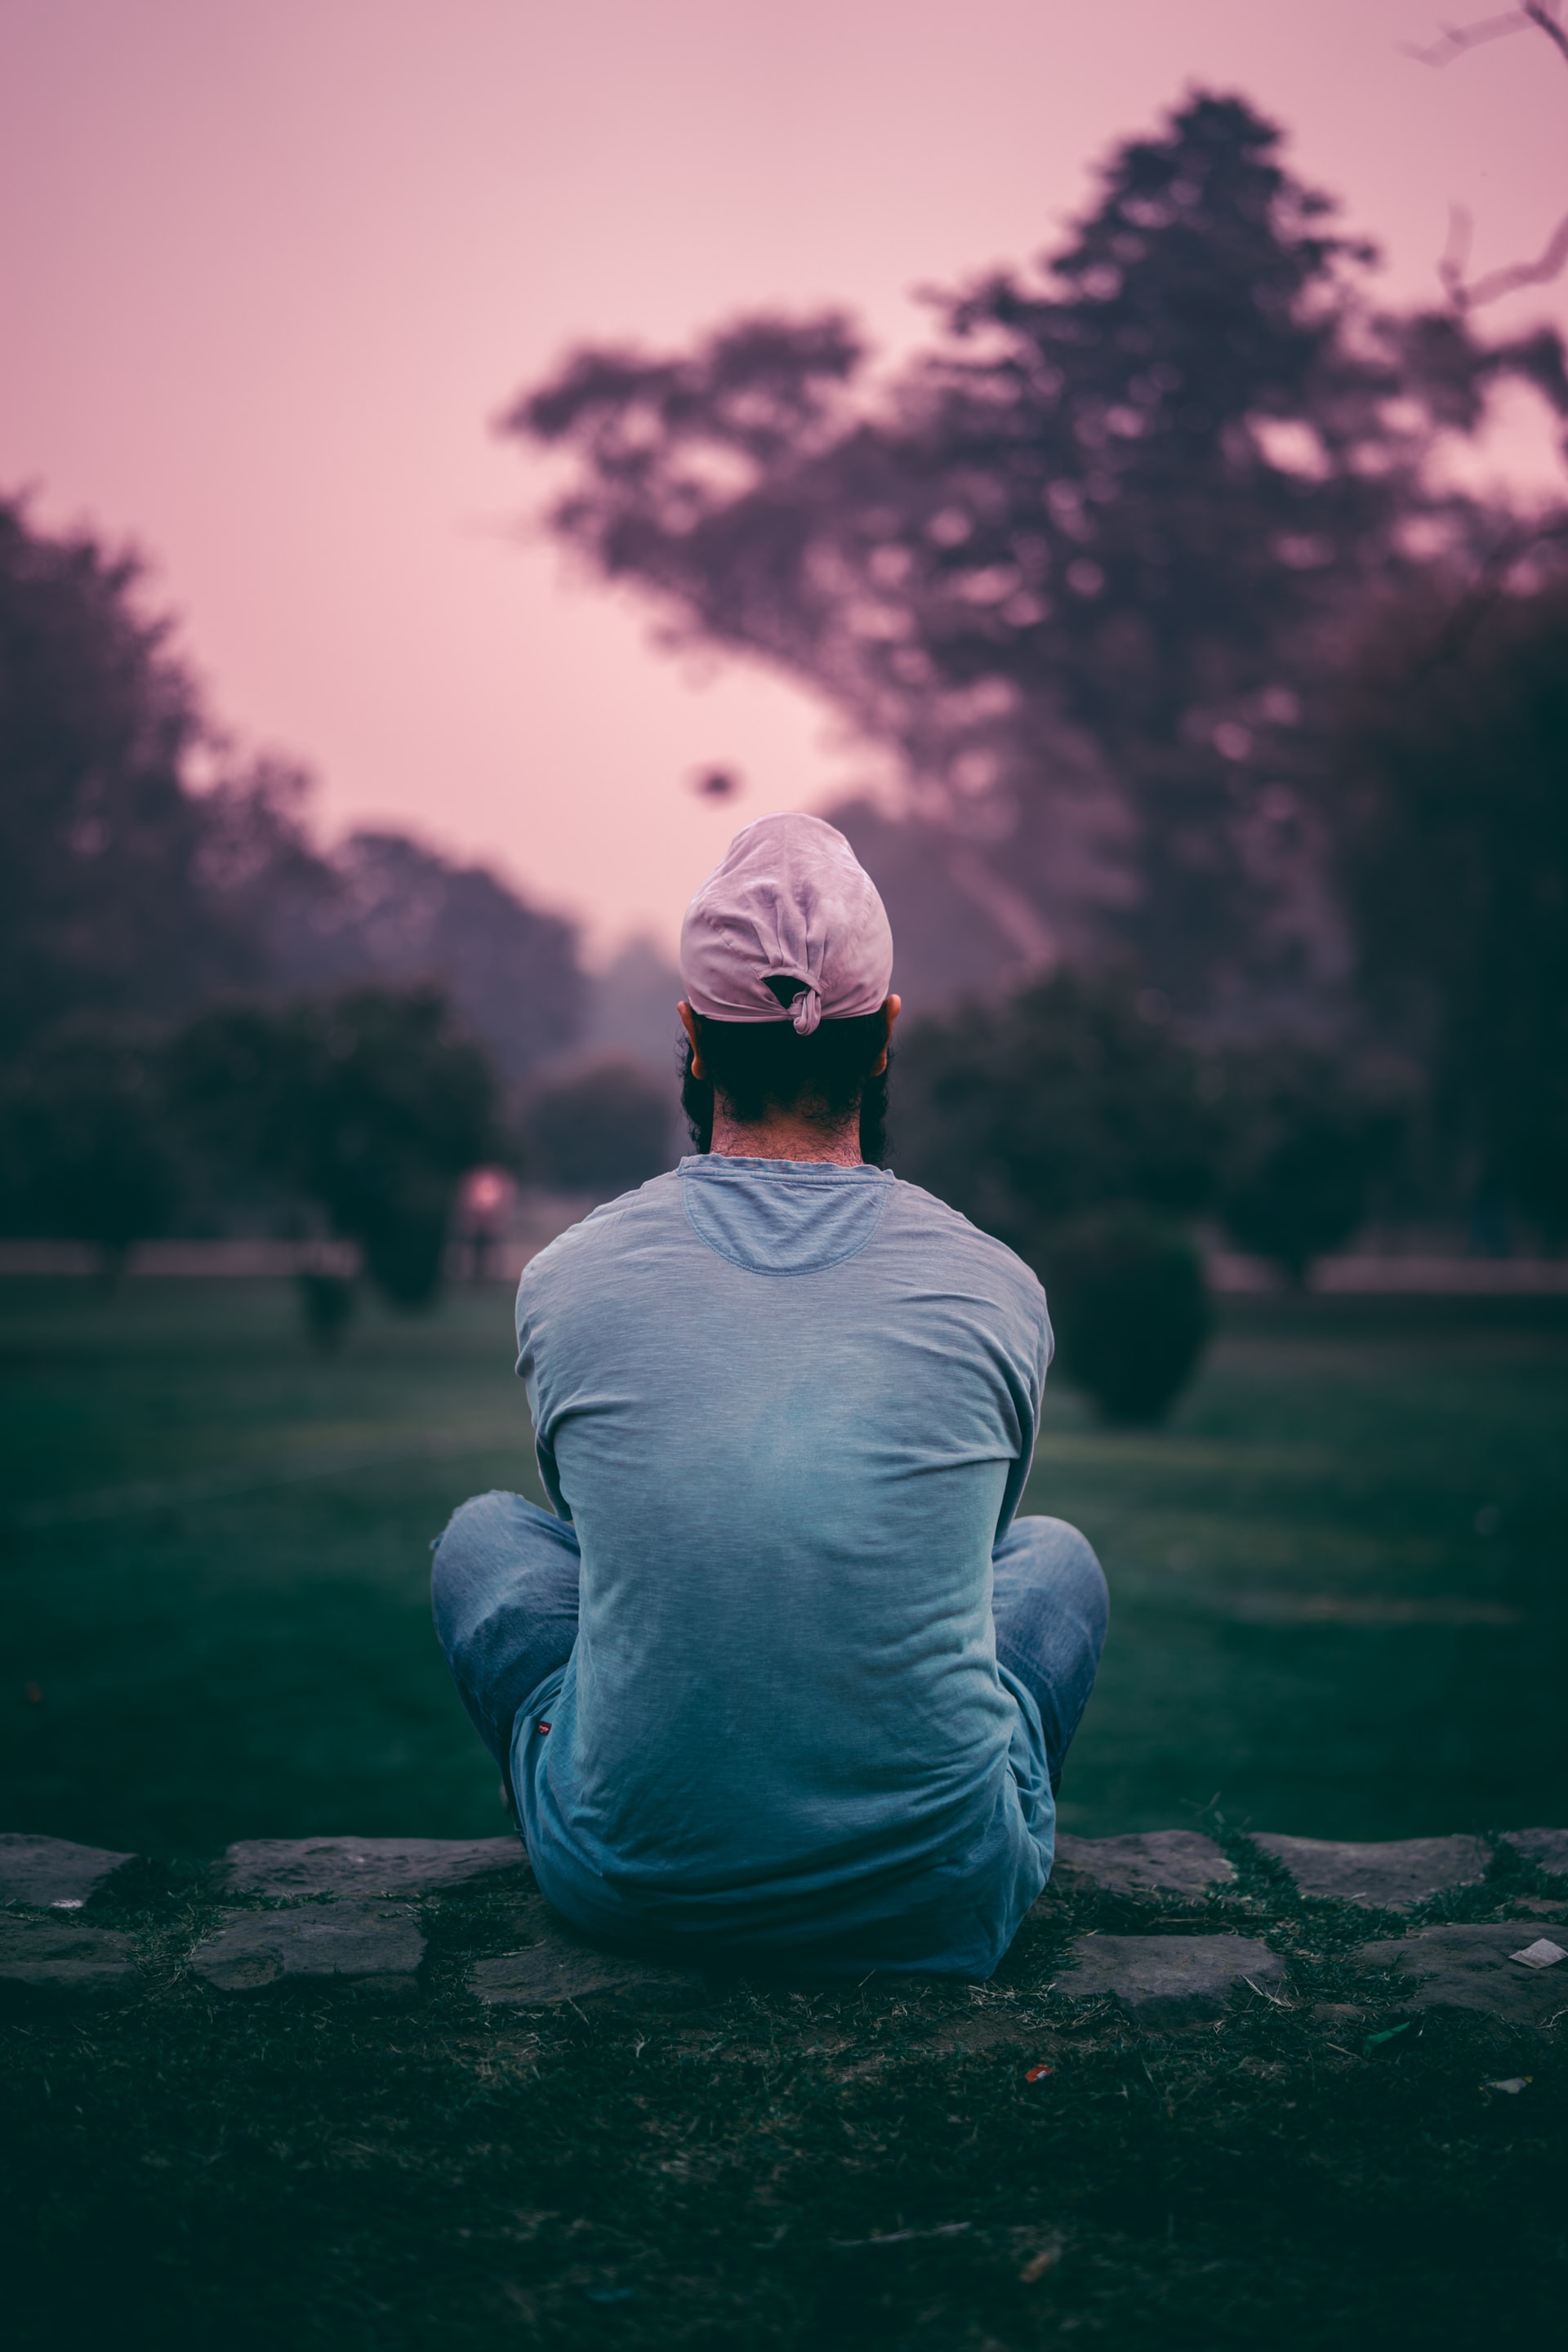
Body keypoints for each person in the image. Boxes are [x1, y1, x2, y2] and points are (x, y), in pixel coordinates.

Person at [432, 813, 1107, 1979]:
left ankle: (638, 1795)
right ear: (886, 1035)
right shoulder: (1000, 1288)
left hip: (634, 1884)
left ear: (691, 1036)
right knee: (1053, 1562)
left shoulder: (566, 1282)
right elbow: (955, 1561)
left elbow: (609, 1562)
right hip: (943, 1897)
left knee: (486, 1542)